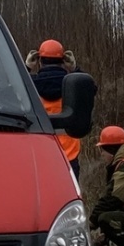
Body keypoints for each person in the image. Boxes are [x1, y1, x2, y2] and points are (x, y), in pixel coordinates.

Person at [25, 39, 96, 179]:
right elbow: (91, 89)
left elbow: (4, 92)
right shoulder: (74, 84)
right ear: (63, 61)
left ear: (39, 61)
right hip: (69, 156)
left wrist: (25, 68)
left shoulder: (29, 84)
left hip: (39, 154)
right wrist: (75, 69)